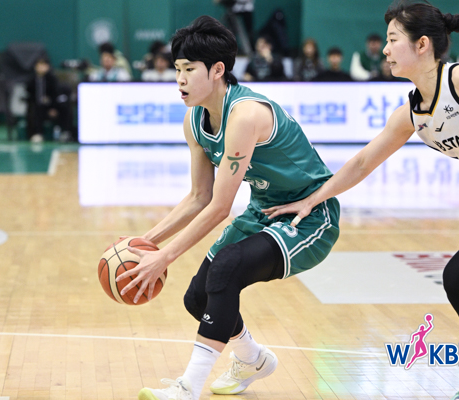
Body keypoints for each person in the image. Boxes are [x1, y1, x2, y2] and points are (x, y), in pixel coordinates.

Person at [263, 2, 459, 399]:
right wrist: (312, 199)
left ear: (422, 44)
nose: (386, 49)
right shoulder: (413, 113)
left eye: (393, 39)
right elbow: (362, 162)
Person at [115, 15, 340, 400]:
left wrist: (164, 257)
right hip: (264, 208)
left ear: (217, 70)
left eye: (189, 70)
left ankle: (187, 388)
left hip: (309, 215)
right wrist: (145, 241)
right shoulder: (194, 120)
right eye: (177, 69)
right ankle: (253, 359)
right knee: (198, 298)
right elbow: (199, 197)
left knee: (227, 267)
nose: (179, 79)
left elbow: (220, 207)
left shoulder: (244, 115)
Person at [26, 55, 73, 143]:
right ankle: (37, 134)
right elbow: (30, 95)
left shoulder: (52, 79)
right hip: (39, 107)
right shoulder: (31, 80)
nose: (41, 68)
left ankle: (66, 132)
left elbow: (56, 94)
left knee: (65, 107)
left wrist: (53, 108)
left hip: (52, 105)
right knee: (35, 109)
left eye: (44, 65)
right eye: (39, 65)